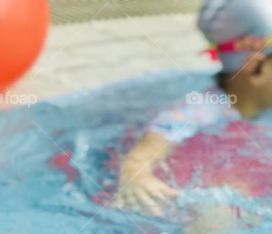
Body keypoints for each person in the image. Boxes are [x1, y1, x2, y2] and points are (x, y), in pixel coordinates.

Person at [113, 0, 272, 218]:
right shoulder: (200, 110)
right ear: (256, 69)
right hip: (204, 189)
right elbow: (153, 142)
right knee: (217, 213)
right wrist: (135, 173)